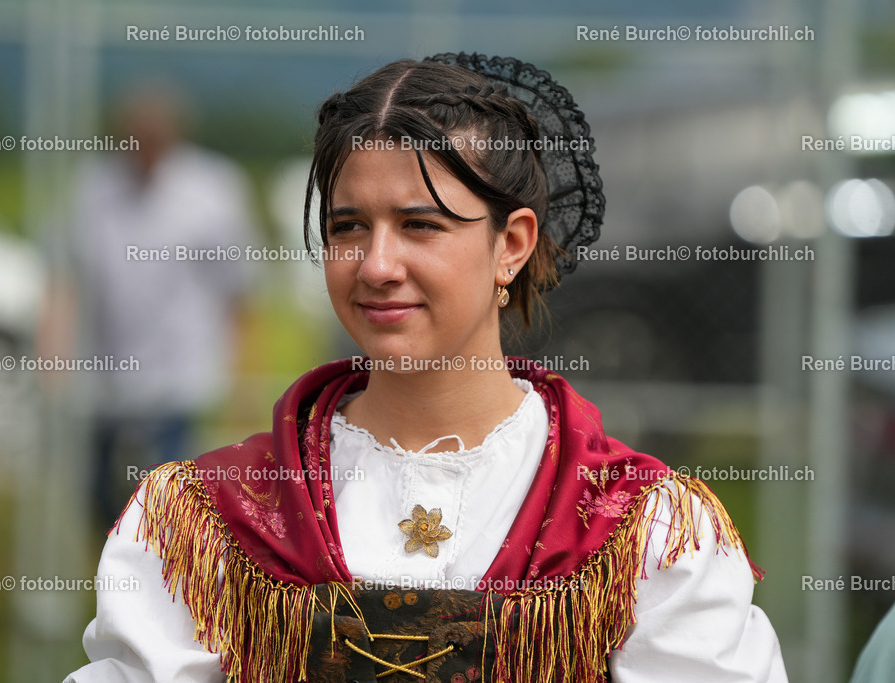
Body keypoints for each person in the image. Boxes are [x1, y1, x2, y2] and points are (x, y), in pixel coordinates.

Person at [65, 53, 788, 682]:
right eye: (348, 226)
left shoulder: (646, 530)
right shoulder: (206, 519)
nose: (378, 265)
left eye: (421, 224)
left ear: (513, 244)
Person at [64, 84, 256, 528]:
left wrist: (243, 372)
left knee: (169, 493)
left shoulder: (213, 190)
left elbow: (239, 289)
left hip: (179, 373)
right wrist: (54, 358)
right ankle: (123, 569)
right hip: (104, 374)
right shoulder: (93, 190)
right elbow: (66, 278)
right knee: (97, 493)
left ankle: (164, 579)